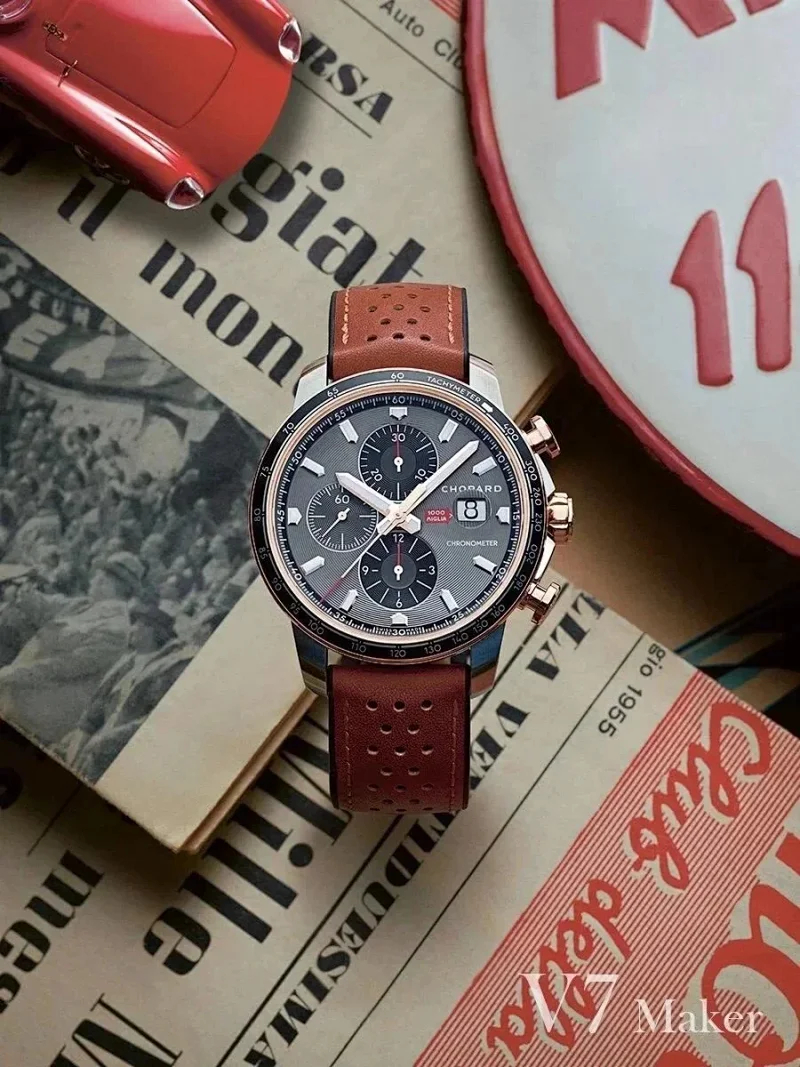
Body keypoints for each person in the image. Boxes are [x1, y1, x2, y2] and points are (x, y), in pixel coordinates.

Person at [0, 551, 142, 747]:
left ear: (108, 583)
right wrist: (23, 584)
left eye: (97, 577)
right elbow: (43, 606)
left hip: (37, 719)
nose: (92, 581)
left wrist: (12, 673)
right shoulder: (85, 605)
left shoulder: (115, 629)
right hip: (16, 701)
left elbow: (64, 667)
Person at [58, 600, 195, 782]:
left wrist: (107, 740)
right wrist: (80, 735)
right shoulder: (127, 662)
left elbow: (152, 718)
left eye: (138, 624)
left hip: (121, 753)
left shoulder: (166, 669)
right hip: (95, 744)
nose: (132, 629)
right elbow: (96, 709)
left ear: (151, 630)